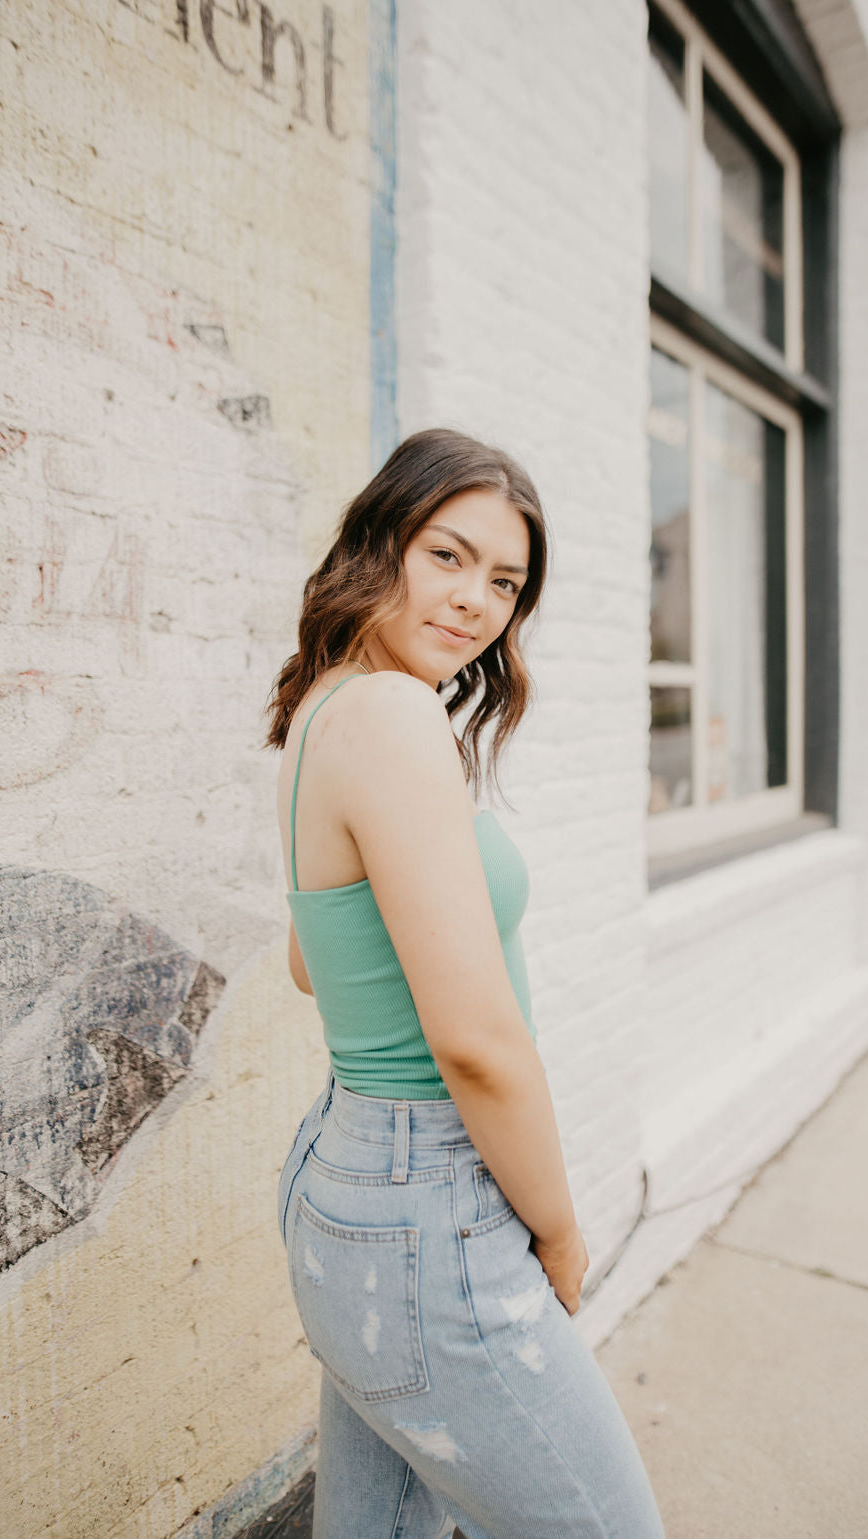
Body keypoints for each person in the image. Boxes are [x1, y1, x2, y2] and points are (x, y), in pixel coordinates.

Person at [266, 428, 665, 1539]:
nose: (476, 601)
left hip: (347, 1183)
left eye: (505, 581)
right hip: (427, 1202)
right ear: (379, 540)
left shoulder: (326, 708)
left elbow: (314, 963)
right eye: (448, 555)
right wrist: (557, 1230)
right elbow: (478, 1042)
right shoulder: (395, 719)